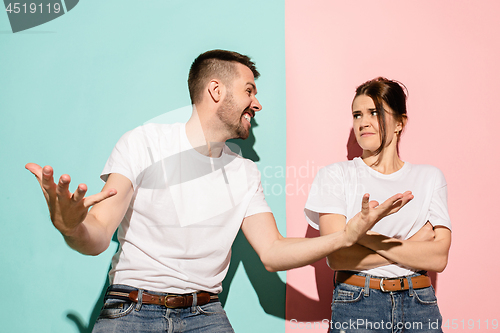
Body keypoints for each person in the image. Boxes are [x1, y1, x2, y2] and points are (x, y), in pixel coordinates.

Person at [26, 51, 413, 333]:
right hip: (132, 309)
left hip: (205, 316)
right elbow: (96, 236)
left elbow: (273, 252)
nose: (257, 103)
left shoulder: (245, 172)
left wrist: (346, 236)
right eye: (249, 90)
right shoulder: (142, 142)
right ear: (215, 90)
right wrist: (71, 225)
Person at [305, 77, 452, 332]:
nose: (363, 122)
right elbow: (338, 257)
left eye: (374, 112)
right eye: (357, 114)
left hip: (419, 303)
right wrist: (415, 245)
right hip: (357, 301)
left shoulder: (429, 178)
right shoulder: (335, 175)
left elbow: (438, 258)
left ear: (399, 123)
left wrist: (363, 236)